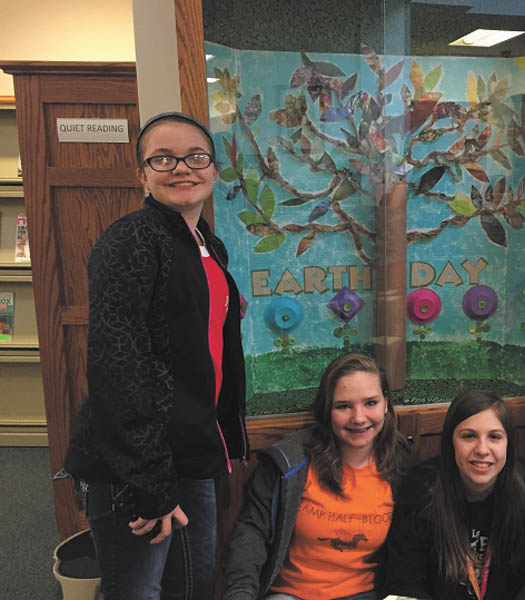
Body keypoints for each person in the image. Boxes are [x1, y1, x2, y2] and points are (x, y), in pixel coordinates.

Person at [63, 111, 248, 599]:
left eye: (196, 156)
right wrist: (148, 481)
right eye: (163, 158)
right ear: (141, 173)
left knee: (191, 588)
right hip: (134, 464)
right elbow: (116, 366)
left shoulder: (207, 245)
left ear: (213, 168)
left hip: (189, 455)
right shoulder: (132, 241)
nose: (182, 168)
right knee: (137, 592)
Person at [223, 352, 411, 600]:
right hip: (292, 595)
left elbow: (413, 551)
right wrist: (240, 594)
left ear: (386, 403)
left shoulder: (401, 464)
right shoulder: (290, 461)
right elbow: (252, 533)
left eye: (370, 403)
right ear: (327, 409)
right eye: (344, 406)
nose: (359, 417)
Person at [385, 390, 525, 600]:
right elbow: (404, 581)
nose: (482, 449)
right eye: (469, 436)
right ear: (451, 443)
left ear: (508, 445)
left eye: (494, 437)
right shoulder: (420, 492)